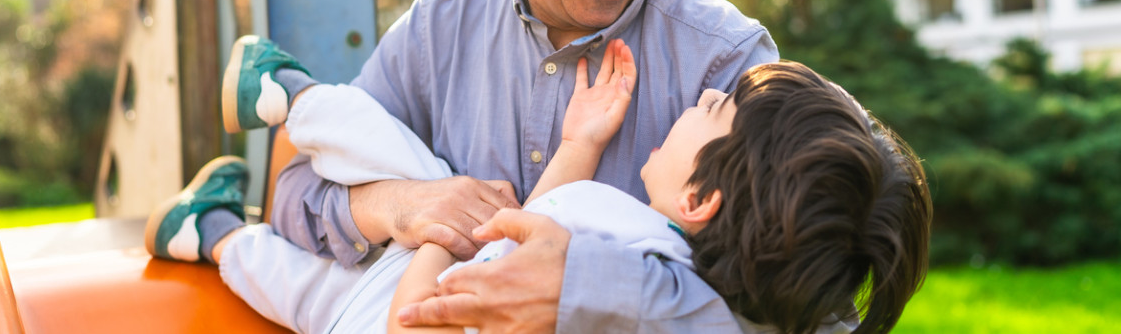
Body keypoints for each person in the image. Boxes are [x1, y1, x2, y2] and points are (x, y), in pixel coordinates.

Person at [148, 0, 781, 331]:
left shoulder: (726, 63)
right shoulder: (437, 31)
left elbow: (814, 308)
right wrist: (402, 206)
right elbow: (293, 194)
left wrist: (589, 290)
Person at [147, 37, 930, 334]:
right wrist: (581, 140)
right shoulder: (724, 296)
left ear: (700, 199)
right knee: (291, 286)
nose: (697, 99)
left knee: (426, 180)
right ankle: (211, 233)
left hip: (402, 299)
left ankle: (288, 93)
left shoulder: (614, 227)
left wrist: (429, 232)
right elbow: (547, 219)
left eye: (713, 109)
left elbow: (414, 321)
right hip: (383, 307)